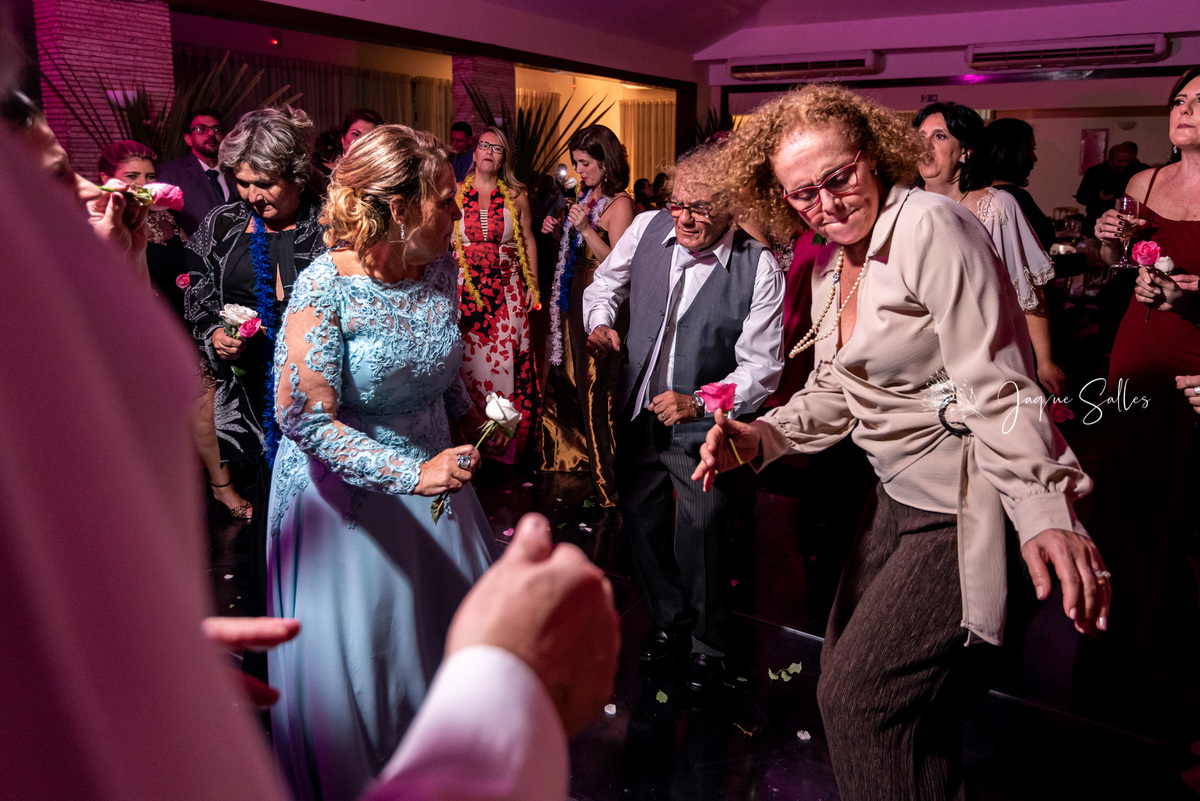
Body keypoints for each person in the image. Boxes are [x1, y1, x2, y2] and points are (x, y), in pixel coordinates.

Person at [696, 84, 1109, 801]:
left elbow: (998, 381)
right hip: (894, 501)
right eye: (802, 195)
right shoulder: (830, 263)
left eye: (839, 177)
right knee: (916, 719)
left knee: (859, 703)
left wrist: (1046, 509)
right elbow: (834, 393)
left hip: (964, 501)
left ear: (874, 155)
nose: (825, 204)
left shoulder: (930, 227)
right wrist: (761, 436)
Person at [267, 124, 501, 801]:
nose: (461, 213)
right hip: (349, 505)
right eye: (447, 200)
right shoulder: (323, 287)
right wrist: (410, 474)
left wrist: (471, 412)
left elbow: (437, 363)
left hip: (441, 488)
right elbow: (303, 417)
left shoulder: (441, 269)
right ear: (399, 207)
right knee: (374, 673)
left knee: (450, 656)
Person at [583, 145, 784, 692]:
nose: (686, 219)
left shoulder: (756, 266)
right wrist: (600, 322)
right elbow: (605, 284)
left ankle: (709, 643)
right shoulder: (647, 228)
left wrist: (700, 401)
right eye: (677, 205)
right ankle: (671, 623)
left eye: (700, 207)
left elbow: (762, 368)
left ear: (731, 203)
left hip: (702, 427)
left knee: (703, 536)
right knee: (642, 527)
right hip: (637, 410)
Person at [1090, 65, 1200, 738]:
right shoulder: (1143, 183)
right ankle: (1118, 646)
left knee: (1185, 510)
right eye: (1180, 99)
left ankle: (1177, 664)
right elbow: (1118, 267)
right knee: (1124, 500)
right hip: (1137, 351)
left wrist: (1193, 294)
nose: (1184, 109)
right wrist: (1109, 238)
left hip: (1196, 360)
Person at [99, 139, 252, 521]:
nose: (143, 184)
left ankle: (222, 488)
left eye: (149, 176)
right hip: (131, 332)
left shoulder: (166, 217)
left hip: (176, 323)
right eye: (131, 176)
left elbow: (190, 265)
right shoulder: (99, 222)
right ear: (107, 180)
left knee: (204, 403)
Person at [914, 102, 1065, 397]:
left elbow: (1029, 293)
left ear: (966, 150)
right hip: (918, 361)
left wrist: (1045, 362)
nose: (926, 146)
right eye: (921, 137)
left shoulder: (996, 207)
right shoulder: (901, 208)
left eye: (940, 137)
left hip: (983, 359)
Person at [539, 124, 634, 506]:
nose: (580, 171)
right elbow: (576, 248)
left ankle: (606, 477)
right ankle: (571, 456)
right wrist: (558, 229)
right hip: (574, 292)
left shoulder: (621, 204)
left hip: (601, 298)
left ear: (606, 161)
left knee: (596, 386)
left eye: (586, 163)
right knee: (569, 377)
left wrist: (583, 227)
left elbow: (617, 262)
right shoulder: (589, 196)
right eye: (576, 163)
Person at [453, 125, 540, 462]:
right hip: (467, 293)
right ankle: (468, 448)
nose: (489, 152)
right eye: (484, 145)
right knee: (468, 367)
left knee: (505, 365)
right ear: (474, 152)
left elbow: (528, 239)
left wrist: (533, 285)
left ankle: (504, 449)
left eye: (497, 148)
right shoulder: (457, 193)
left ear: (504, 158)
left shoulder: (516, 195)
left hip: (507, 293)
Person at [983, 117, 1056, 250]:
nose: (1035, 158)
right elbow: (1034, 260)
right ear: (1015, 153)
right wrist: (1084, 260)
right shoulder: (1015, 198)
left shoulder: (977, 194)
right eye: (1031, 149)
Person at [158, 106, 230, 235]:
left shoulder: (237, 171)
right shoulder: (170, 173)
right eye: (201, 129)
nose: (211, 133)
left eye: (216, 129)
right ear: (188, 139)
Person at [1076, 141, 1148, 237]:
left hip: (1126, 225)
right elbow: (1081, 197)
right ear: (1110, 159)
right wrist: (1098, 197)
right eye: (1119, 161)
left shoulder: (1137, 171)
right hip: (1098, 223)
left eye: (1126, 161)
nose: (1123, 164)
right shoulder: (1095, 172)